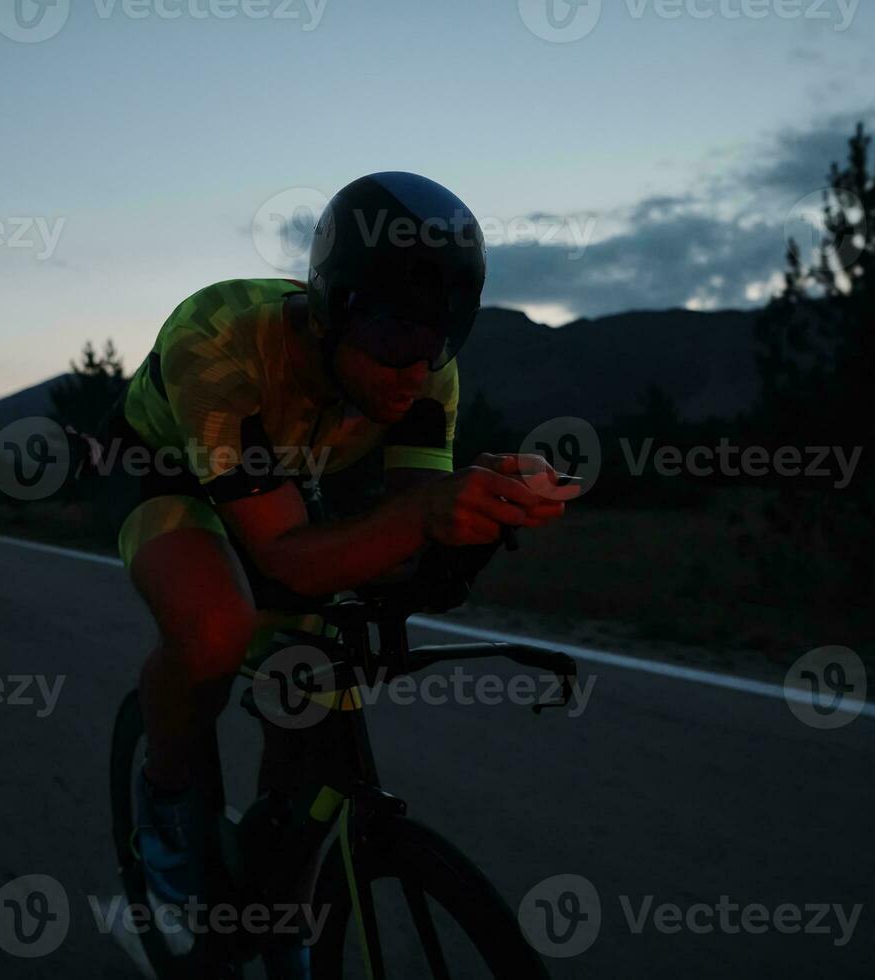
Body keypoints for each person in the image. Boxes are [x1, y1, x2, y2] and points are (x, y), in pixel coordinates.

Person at [111, 172, 575, 974]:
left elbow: (411, 524)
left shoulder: (426, 372)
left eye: (440, 343)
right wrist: (422, 519)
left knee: (314, 679)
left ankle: (279, 895)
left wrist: (481, 510)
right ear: (333, 308)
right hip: (169, 473)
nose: (414, 369)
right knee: (217, 630)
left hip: (287, 481)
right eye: (395, 339)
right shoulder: (220, 344)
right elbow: (286, 555)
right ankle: (166, 801)